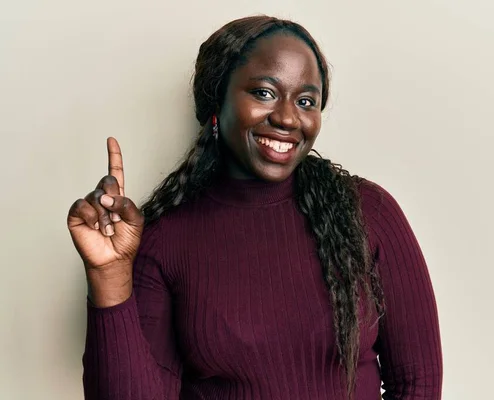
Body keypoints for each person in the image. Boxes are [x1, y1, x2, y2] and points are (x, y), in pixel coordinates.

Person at [67, 15, 443, 400]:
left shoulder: (368, 213)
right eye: (264, 92)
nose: (286, 117)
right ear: (217, 101)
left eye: (306, 101)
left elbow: (418, 384)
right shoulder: (166, 240)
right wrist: (108, 276)